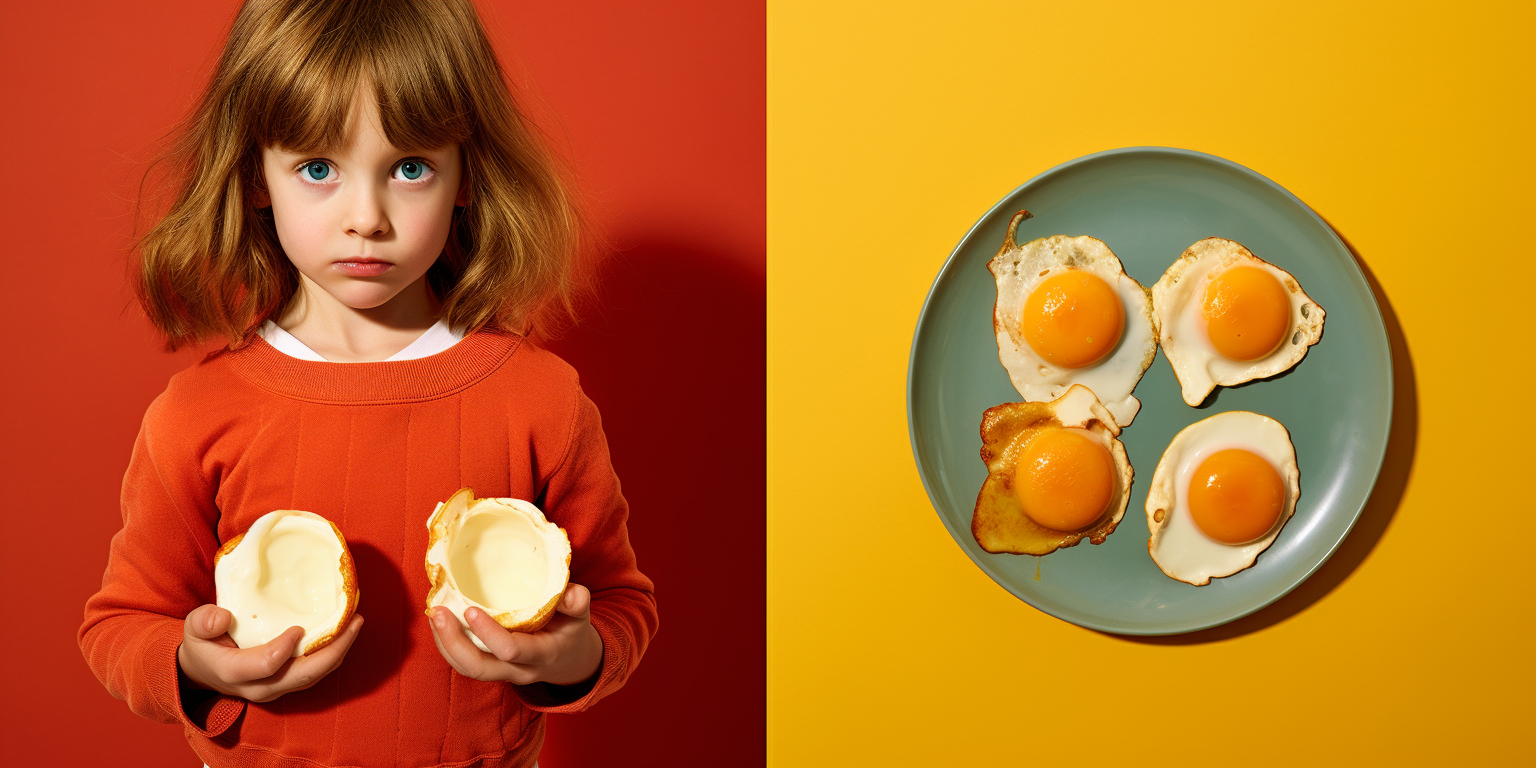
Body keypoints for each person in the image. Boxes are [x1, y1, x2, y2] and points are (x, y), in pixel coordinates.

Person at [77, 1, 657, 766]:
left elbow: (620, 605)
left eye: (409, 168)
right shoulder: (197, 415)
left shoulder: (540, 401)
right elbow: (120, 624)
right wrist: (192, 664)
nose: (366, 217)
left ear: (466, 177)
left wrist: (569, 659)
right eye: (318, 169)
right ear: (257, 175)